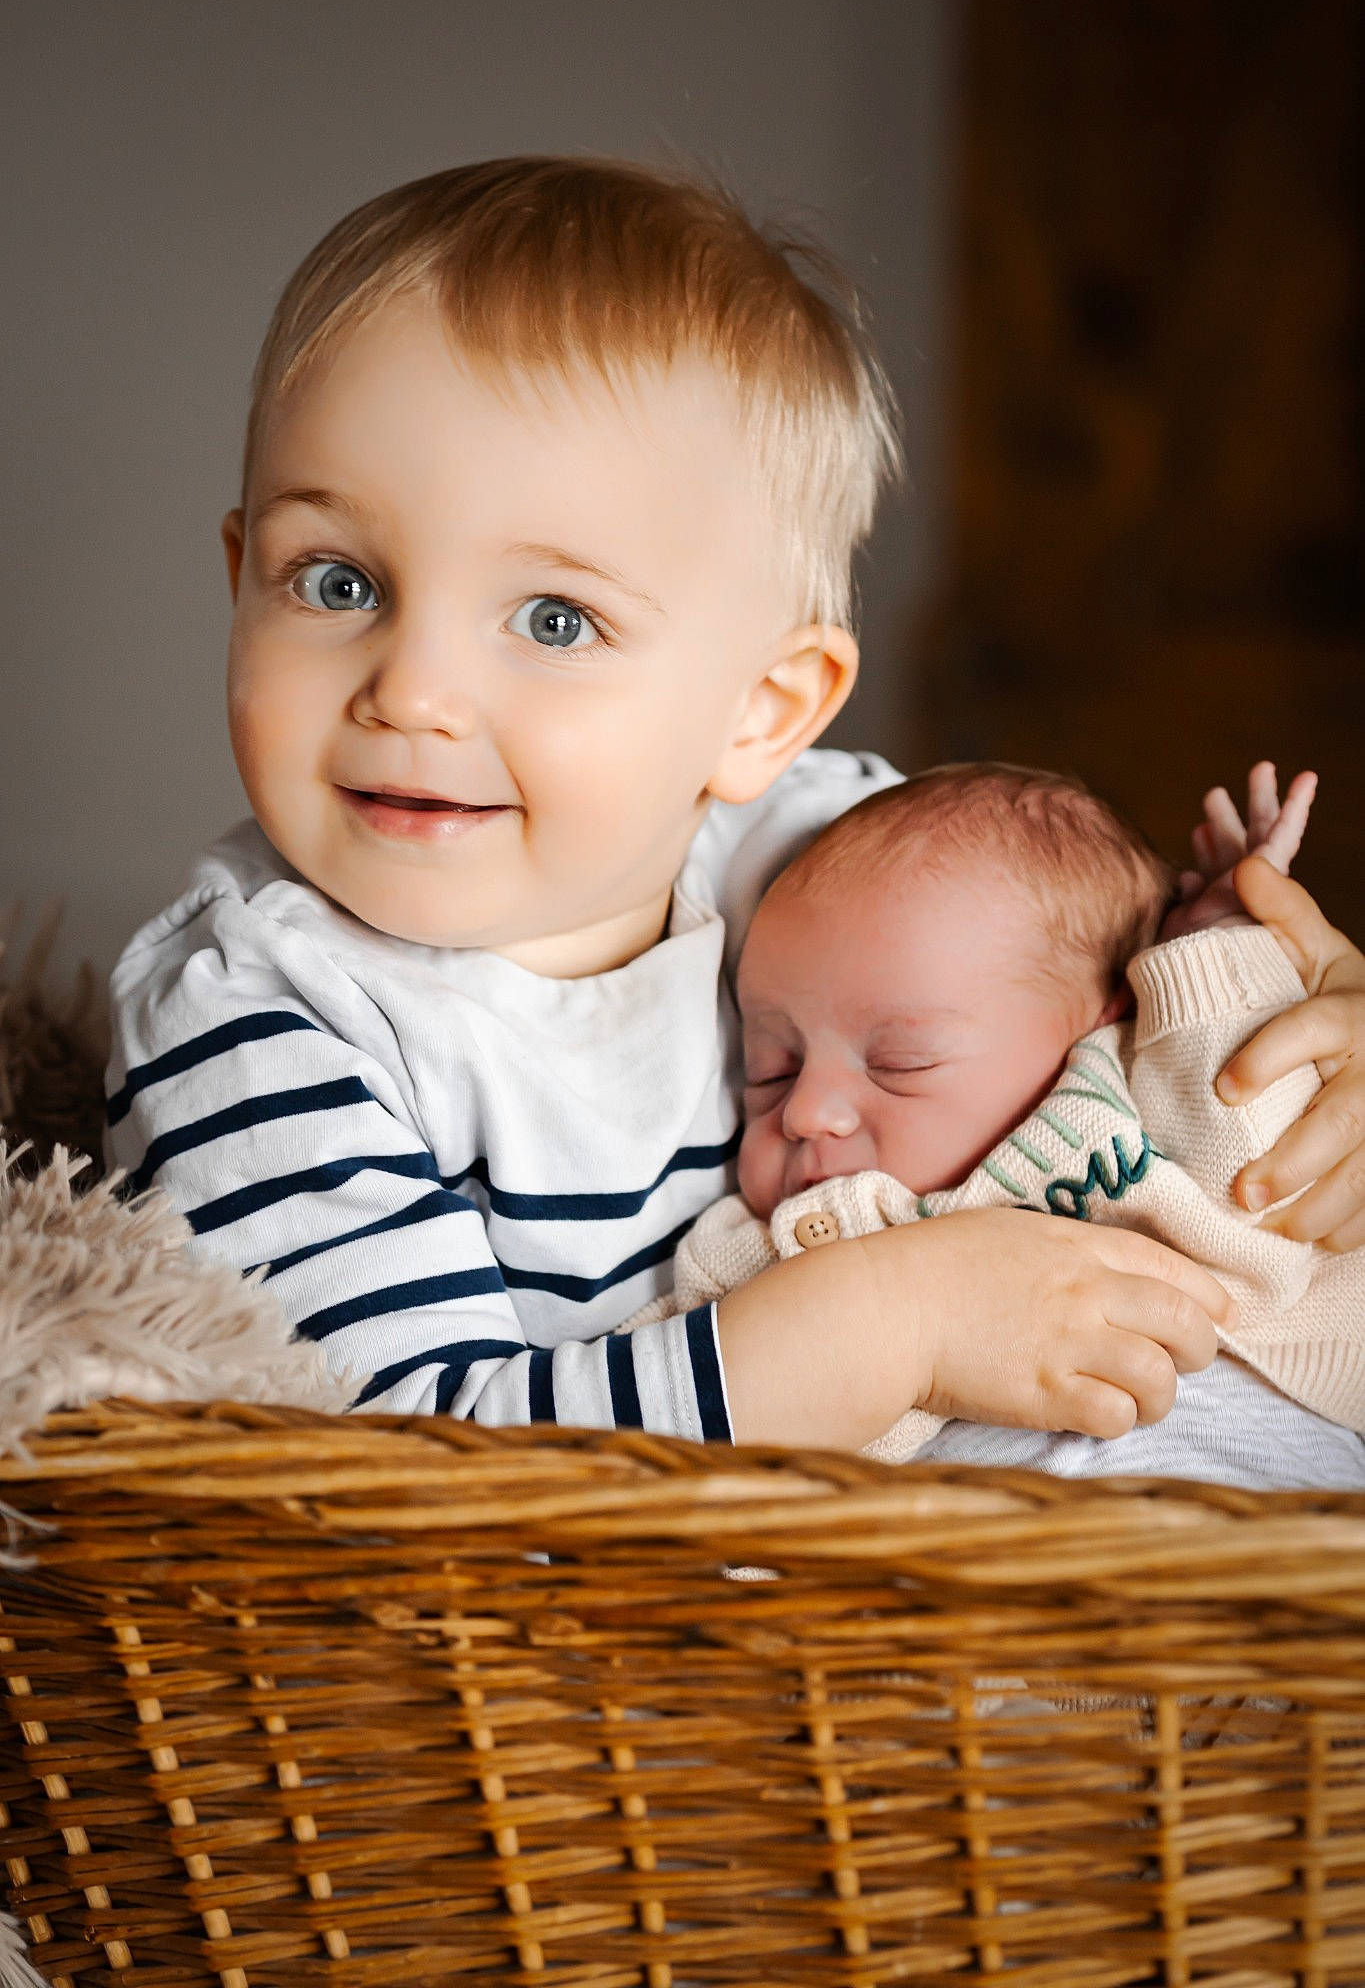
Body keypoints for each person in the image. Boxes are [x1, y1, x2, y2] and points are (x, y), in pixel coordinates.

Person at [103, 156, 1365, 1452]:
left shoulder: (820, 857)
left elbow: (1126, 1006)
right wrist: (893, 1324)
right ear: (240, 571)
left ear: (759, 712)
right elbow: (419, 1481)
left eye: (554, 618)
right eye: (335, 583)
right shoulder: (261, 1023)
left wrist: (1303, 1040)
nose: (412, 692)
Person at [626, 761, 1365, 1487]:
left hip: (1262, 1533)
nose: (805, 1111)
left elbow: (1250, 1120)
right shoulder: (778, 1254)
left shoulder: (1138, 1124)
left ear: (1104, 1033)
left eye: (900, 1062)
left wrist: (1226, 946)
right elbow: (658, 1414)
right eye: (771, 1070)